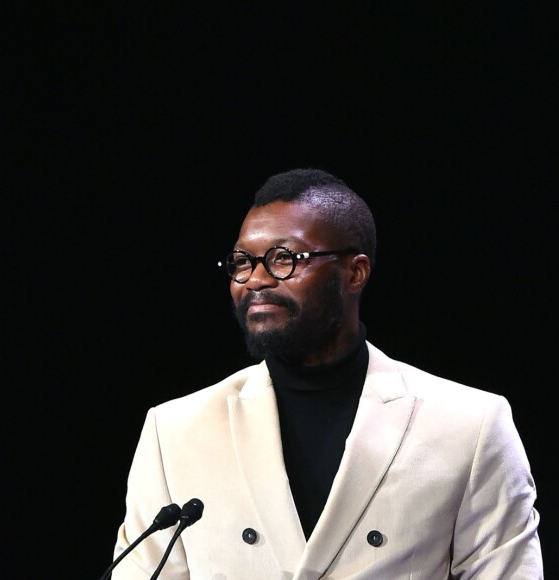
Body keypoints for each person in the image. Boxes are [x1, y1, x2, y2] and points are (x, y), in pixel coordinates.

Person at [111, 168, 543, 578]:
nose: (255, 279)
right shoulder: (175, 430)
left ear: (355, 272)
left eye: (284, 258)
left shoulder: (470, 425)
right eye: (242, 261)